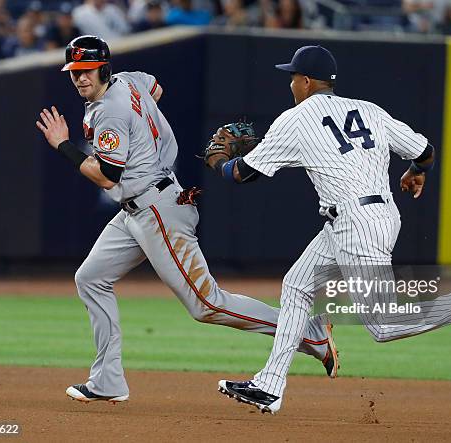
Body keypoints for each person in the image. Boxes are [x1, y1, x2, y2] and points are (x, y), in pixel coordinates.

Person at [209, 45, 451, 414]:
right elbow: (425, 151)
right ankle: (270, 385)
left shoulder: (294, 119)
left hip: (357, 226)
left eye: (293, 77)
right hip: (366, 218)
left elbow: (242, 174)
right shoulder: (369, 110)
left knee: (383, 325)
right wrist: (416, 171)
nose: (291, 83)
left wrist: (219, 160)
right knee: (295, 286)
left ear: (306, 82)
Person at [35, 36, 337, 404]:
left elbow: (106, 176)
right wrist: (144, 133)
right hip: (138, 207)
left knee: (206, 304)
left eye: (86, 70)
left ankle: (310, 335)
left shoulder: (109, 111)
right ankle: (108, 381)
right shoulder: (130, 80)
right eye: (74, 72)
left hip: (157, 209)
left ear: (103, 68)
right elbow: (155, 88)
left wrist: (62, 144)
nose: (80, 78)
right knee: (91, 278)